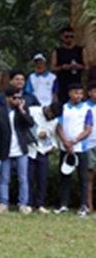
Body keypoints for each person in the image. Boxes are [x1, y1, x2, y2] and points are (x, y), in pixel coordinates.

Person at [0, 86, 35, 215]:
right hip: (5, 149)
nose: (17, 100)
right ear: (8, 98)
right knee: (4, 178)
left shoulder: (23, 109)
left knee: (23, 178)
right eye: (14, 98)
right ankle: (3, 203)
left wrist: (21, 110)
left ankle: (23, 204)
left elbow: (30, 123)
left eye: (19, 97)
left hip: (20, 149)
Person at [54, 83, 93, 217]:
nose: (78, 96)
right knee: (65, 176)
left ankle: (83, 205)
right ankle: (64, 204)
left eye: (80, 93)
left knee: (83, 178)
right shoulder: (63, 108)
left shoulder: (87, 109)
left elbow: (88, 129)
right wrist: (66, 143)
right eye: (76, 93)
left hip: (81, 148)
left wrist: (74, 141)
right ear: (70, 93)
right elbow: (59, 127)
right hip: (65, 148)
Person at [27, 102, 61, 214]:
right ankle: (28, 203)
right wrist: (38, 135)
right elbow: (25, 129)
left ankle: (39, 204)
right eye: (52, 116)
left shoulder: (54, 121)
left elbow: (53, 137)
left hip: (44, 152)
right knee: (29, 178)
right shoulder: (33, 111)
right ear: (48, 110)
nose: (52, 119)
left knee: (42, 179)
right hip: (30, 150)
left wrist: (54, 146)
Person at [51, 26, 88, 103]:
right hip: (63, 84)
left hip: (77, 83)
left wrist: (79, 67)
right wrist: (62, 67)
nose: (69, 39)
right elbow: (53, 68)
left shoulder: (80, 50)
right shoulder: (58, 52)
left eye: (71, 37)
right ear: (62, 37)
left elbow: (87, 67)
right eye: (67, 37)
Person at [86, 81, 96, 212]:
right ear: (89, 93)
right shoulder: (84, 108)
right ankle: (89, 204)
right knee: (89, 176)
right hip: (88, 144)